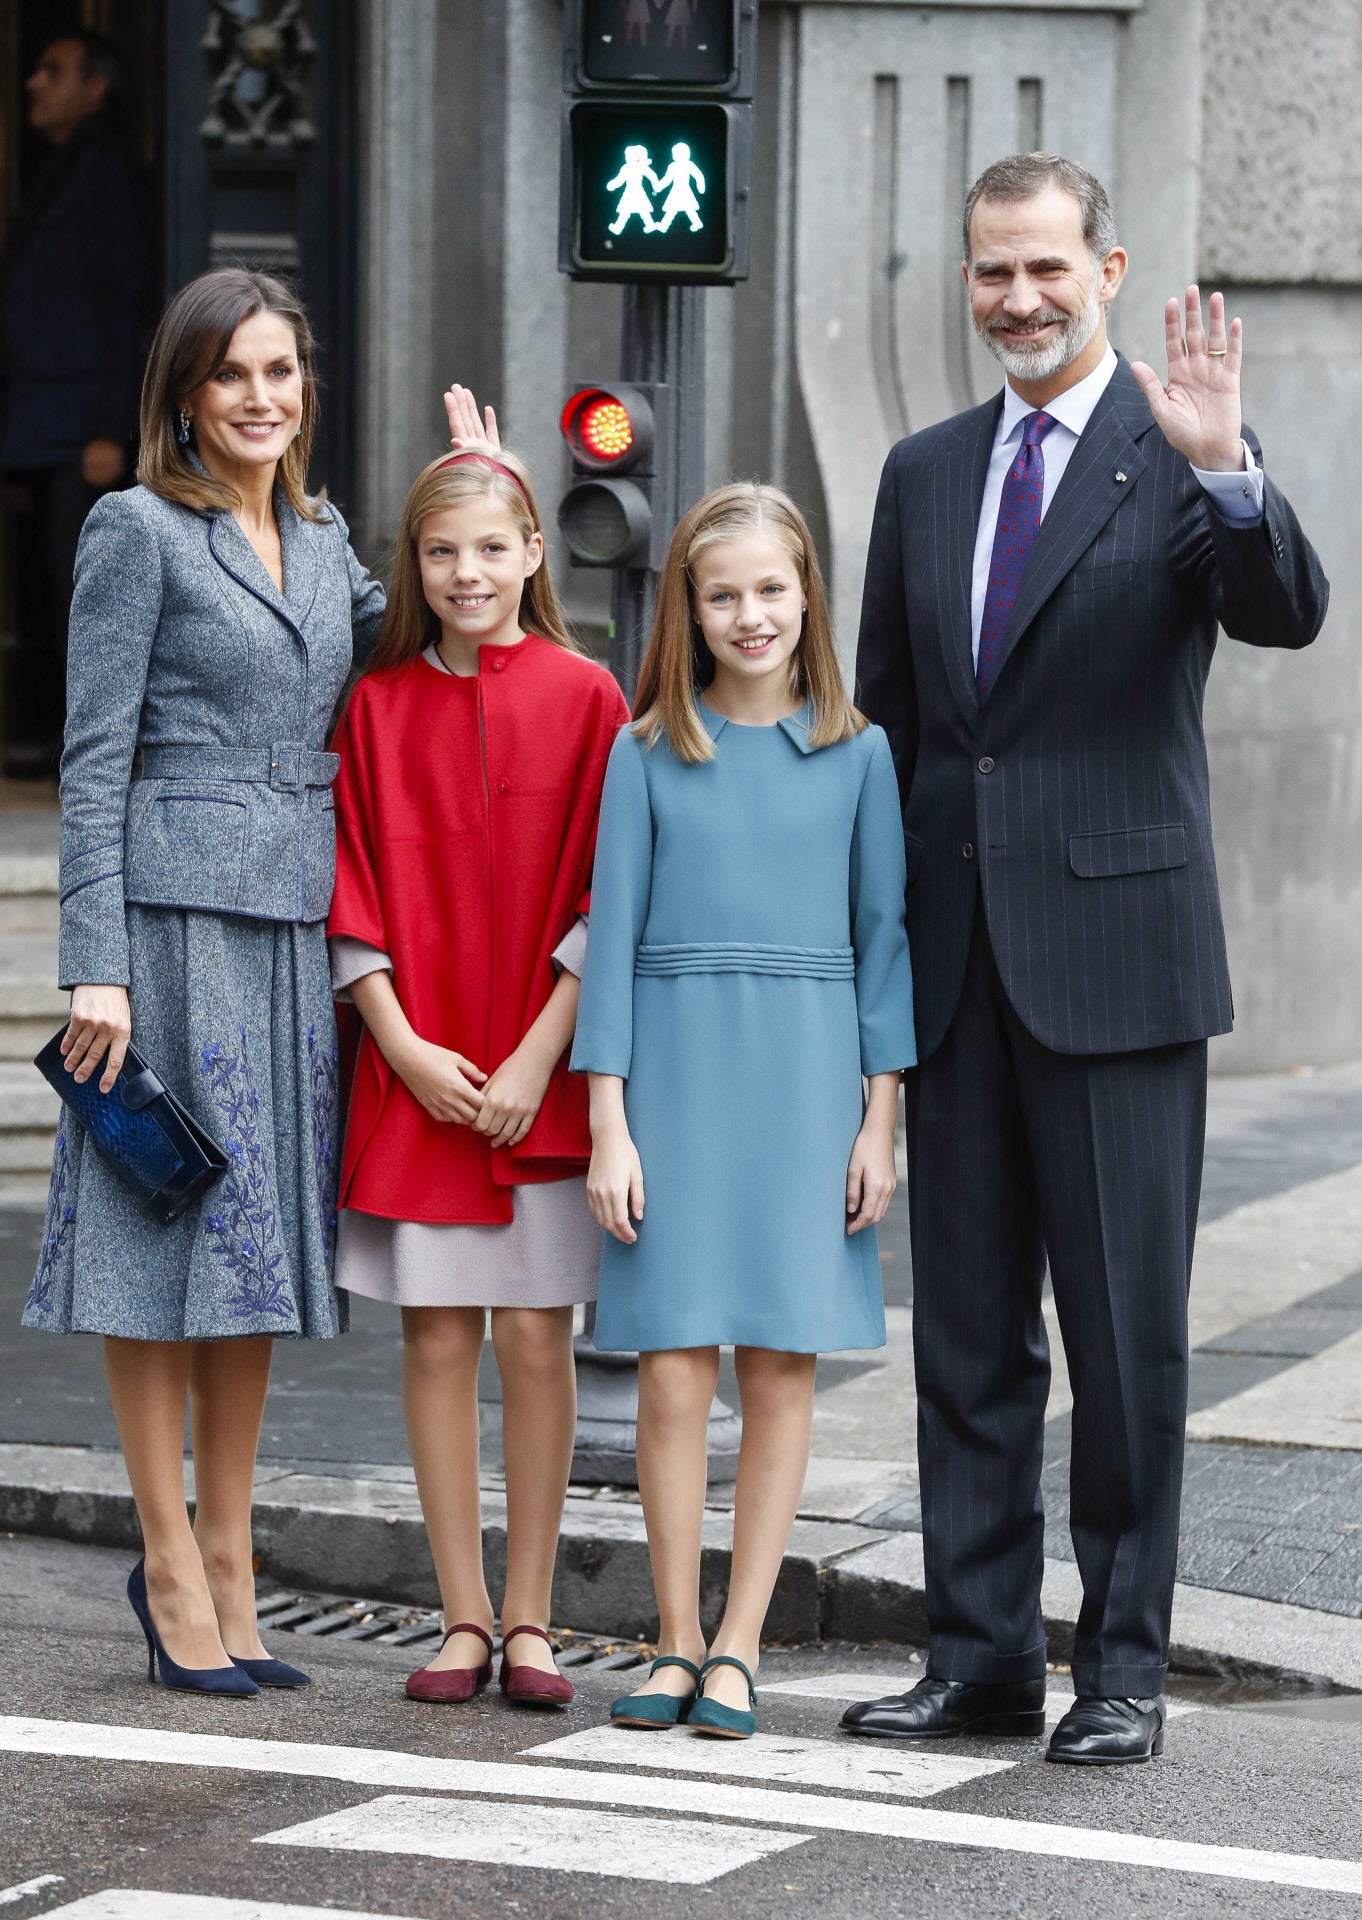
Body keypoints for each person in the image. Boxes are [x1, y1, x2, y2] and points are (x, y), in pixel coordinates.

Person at [845, 153, 1329, 1764]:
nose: (1019, 301)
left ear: (1105, 266)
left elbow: (1284, 611)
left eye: (1046, 269)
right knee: (968, 1339)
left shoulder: (1174, 445)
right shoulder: (920, 473)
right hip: (959, 965)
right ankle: (977, 1655)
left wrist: (1233, 475)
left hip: (1118, 963)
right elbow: (897, 737)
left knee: (1124, 1345)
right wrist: (870, 976)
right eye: (991, 273)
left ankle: (1121, 1667)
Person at [22, 267, 386, 1696]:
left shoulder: (321, 530)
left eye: (281, 372)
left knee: (254, 1264)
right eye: (231, 374)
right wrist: (93, 967)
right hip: (168, 931)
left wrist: (481, 487)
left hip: (291, 928)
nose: (258, 398)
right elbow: (92, 757)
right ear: (184, 392)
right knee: (154, 1236)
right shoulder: (135, 531)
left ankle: (234, 1562)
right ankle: (168, 1556)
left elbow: (408, 637)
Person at [574, 483, 914, 1739]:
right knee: (669, 1374)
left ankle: (740, 1645)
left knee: (780, 1366)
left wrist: (880, 1121)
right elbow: (608, 948)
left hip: (809, 1079)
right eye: (724, 595)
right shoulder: (647, 750)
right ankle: (668, 1641)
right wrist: (608, 1122)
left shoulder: (860, 751)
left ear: (807, 595)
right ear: (691, 611)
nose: (751, 614)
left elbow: (885, 946)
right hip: (673, 1078)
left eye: (772, 589)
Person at [327, 426, 630, 1710]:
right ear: (413, 563)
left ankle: (534, 1619)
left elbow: (610, 894)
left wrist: (533, 1058)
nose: (466, 572)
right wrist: (398, 1045)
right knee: (440, 1342)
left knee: (537, 1347)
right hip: (423, 1073)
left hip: (541, 1077)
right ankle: (458, 1616)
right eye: (442, 551)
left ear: (533, 556)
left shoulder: (591, 697)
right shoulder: (376, 705)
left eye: (491, 548)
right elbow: (350, 885)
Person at [1, 30, 147, 776]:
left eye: (51, 71)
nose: (32, 83)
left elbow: (123, 305)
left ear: (95, 87)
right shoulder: (58, 170)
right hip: (39, 426)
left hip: (80, 429)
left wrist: (108, 428)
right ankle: (59, 741)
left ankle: (91, 757)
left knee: (83, 599)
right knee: (47, 592)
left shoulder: (106, 174)